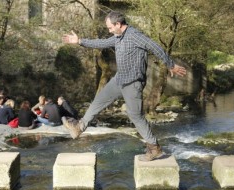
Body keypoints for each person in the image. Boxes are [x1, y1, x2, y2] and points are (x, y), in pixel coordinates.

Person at [62, 11, 187, 161]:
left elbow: (156, 47)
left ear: (118, 24)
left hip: (133, 83)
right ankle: (79, 127)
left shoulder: (135, 36)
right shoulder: (117, 37)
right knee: (99, 100)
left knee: (135, 116)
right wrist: (80, 41)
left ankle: (154, 148)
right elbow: (101, 43)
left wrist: (171, 65)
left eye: (110, 27)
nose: (109, 30)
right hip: (119, 80)